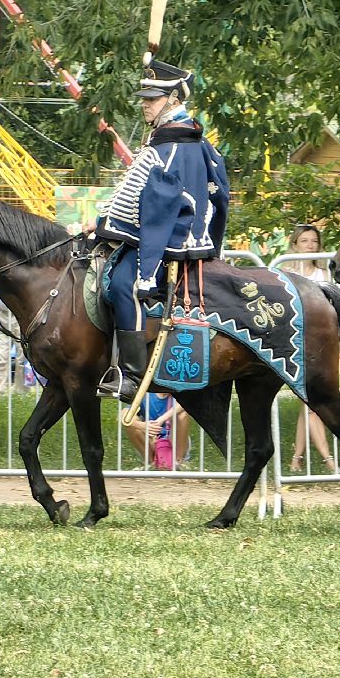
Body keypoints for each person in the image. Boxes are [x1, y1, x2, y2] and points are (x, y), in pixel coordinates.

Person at [95, 58, 229, 401]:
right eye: (145, 98)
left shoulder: (167, 149)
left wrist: (103, 226)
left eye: (152, 99)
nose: (145, 105)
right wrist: (213, 238)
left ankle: (132, 375)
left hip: (171, 239)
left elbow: (148, 206)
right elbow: (222, 195)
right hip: (190, 234)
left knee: (123, 285)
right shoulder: (197, 142)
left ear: (173, 100)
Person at [280, 224, 338, 472]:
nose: (310, 246)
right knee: (311, 402)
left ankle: (296, 459)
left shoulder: (324, 275)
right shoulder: (284, 272)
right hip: (294, 343)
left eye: (314, 241)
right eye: (304, 241)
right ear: (295, 245)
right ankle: (329, 461)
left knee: (309, 402)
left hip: (321, 344)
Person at [122, 392, 191, 470]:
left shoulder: (179, 390)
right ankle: (151, 464)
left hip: (174, 440)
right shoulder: (145, 392)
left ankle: (178, 462)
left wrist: (162, 419)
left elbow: (186, 404)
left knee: (182, 414)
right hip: (151, 439)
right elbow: (123, 415)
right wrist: (142, 425)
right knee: (131, 422)